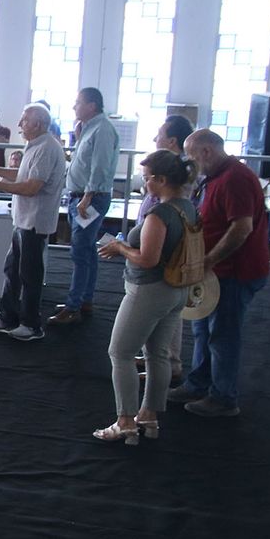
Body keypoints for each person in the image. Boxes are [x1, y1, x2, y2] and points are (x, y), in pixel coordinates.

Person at [92, 150, 199, 444]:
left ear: (161, 180)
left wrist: (120, 248)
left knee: (121, 353)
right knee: (158, 354)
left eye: (147, 177)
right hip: (176, 289)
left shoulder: (159, 215)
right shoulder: (187, 207)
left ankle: (125, 421)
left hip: (150, 289)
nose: (144, 182)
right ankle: (149, 416)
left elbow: (148, 258)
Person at [168, 129, 270, 418]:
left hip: (235, 271)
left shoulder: (235, 178)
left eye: (192, 157)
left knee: (223, 335)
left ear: (206, 152)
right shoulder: (217, 177)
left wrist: (208, 260)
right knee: (203, 329)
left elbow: (242, 228)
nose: (190, 164)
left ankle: (224, 397)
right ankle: (199, 384)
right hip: (217, 271)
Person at [0, 104, 68, 341]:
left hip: (35, 221)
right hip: (23, 219)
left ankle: (31, 324)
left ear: (38, 124)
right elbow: (22, 175)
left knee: (29, 274)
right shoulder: (35, 145)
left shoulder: (47, 148)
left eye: (24, 120)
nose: (19, 124)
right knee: (12, 269)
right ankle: (7, 317)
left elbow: (32, 187)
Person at [49, 87, 120, 326]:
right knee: (87, 250)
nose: (74, 106)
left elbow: (100, 166)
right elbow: (83, 162)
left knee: (80, 251)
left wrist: (87, 197)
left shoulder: (102, 129)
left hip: (89, 199)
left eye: (78, 102)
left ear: (92, 105)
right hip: (80, 197)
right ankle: (84, 300)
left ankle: (73, 306)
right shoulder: (88, 128)